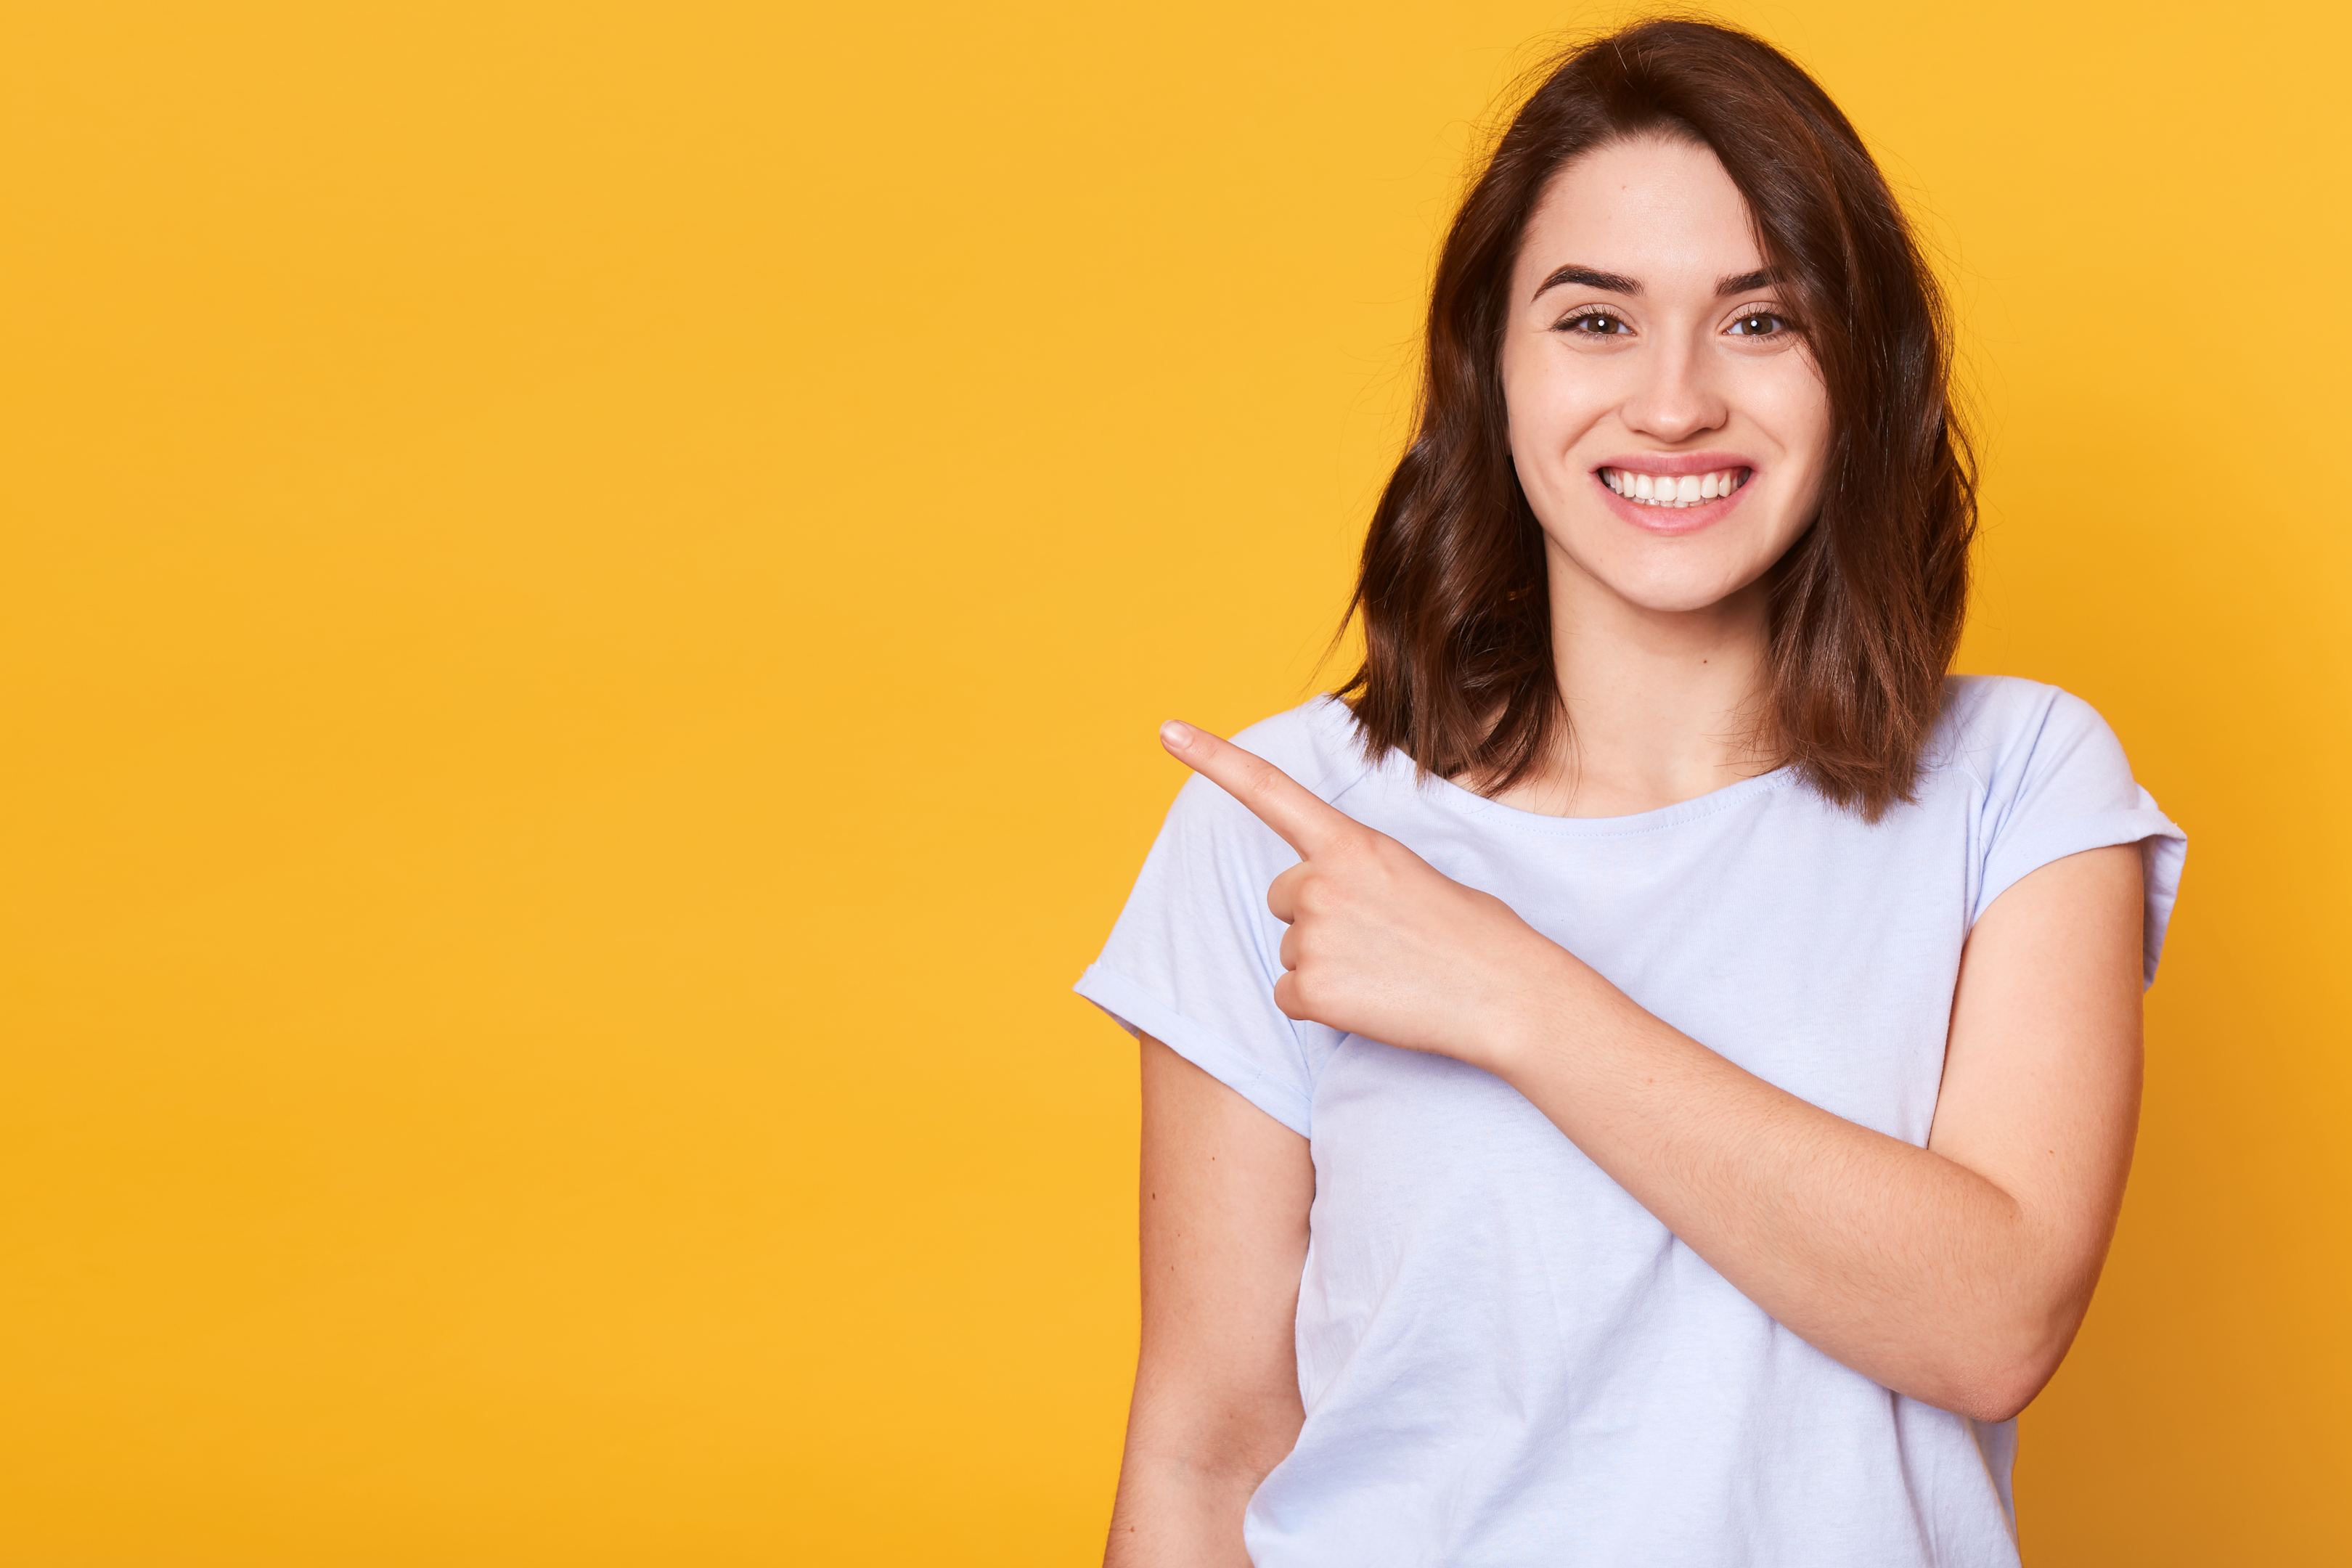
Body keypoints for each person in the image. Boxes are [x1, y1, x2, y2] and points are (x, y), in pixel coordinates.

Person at [1074, 17, 2185, 1568]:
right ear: (1490, 368)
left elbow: (1992, 1319)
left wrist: (1510, 990)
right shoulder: (1284, 824)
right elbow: (1201, 1462)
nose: (1672, 405)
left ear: (1860, 374)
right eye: (1595, 322)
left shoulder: (2020, 782)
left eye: (1760, 321)